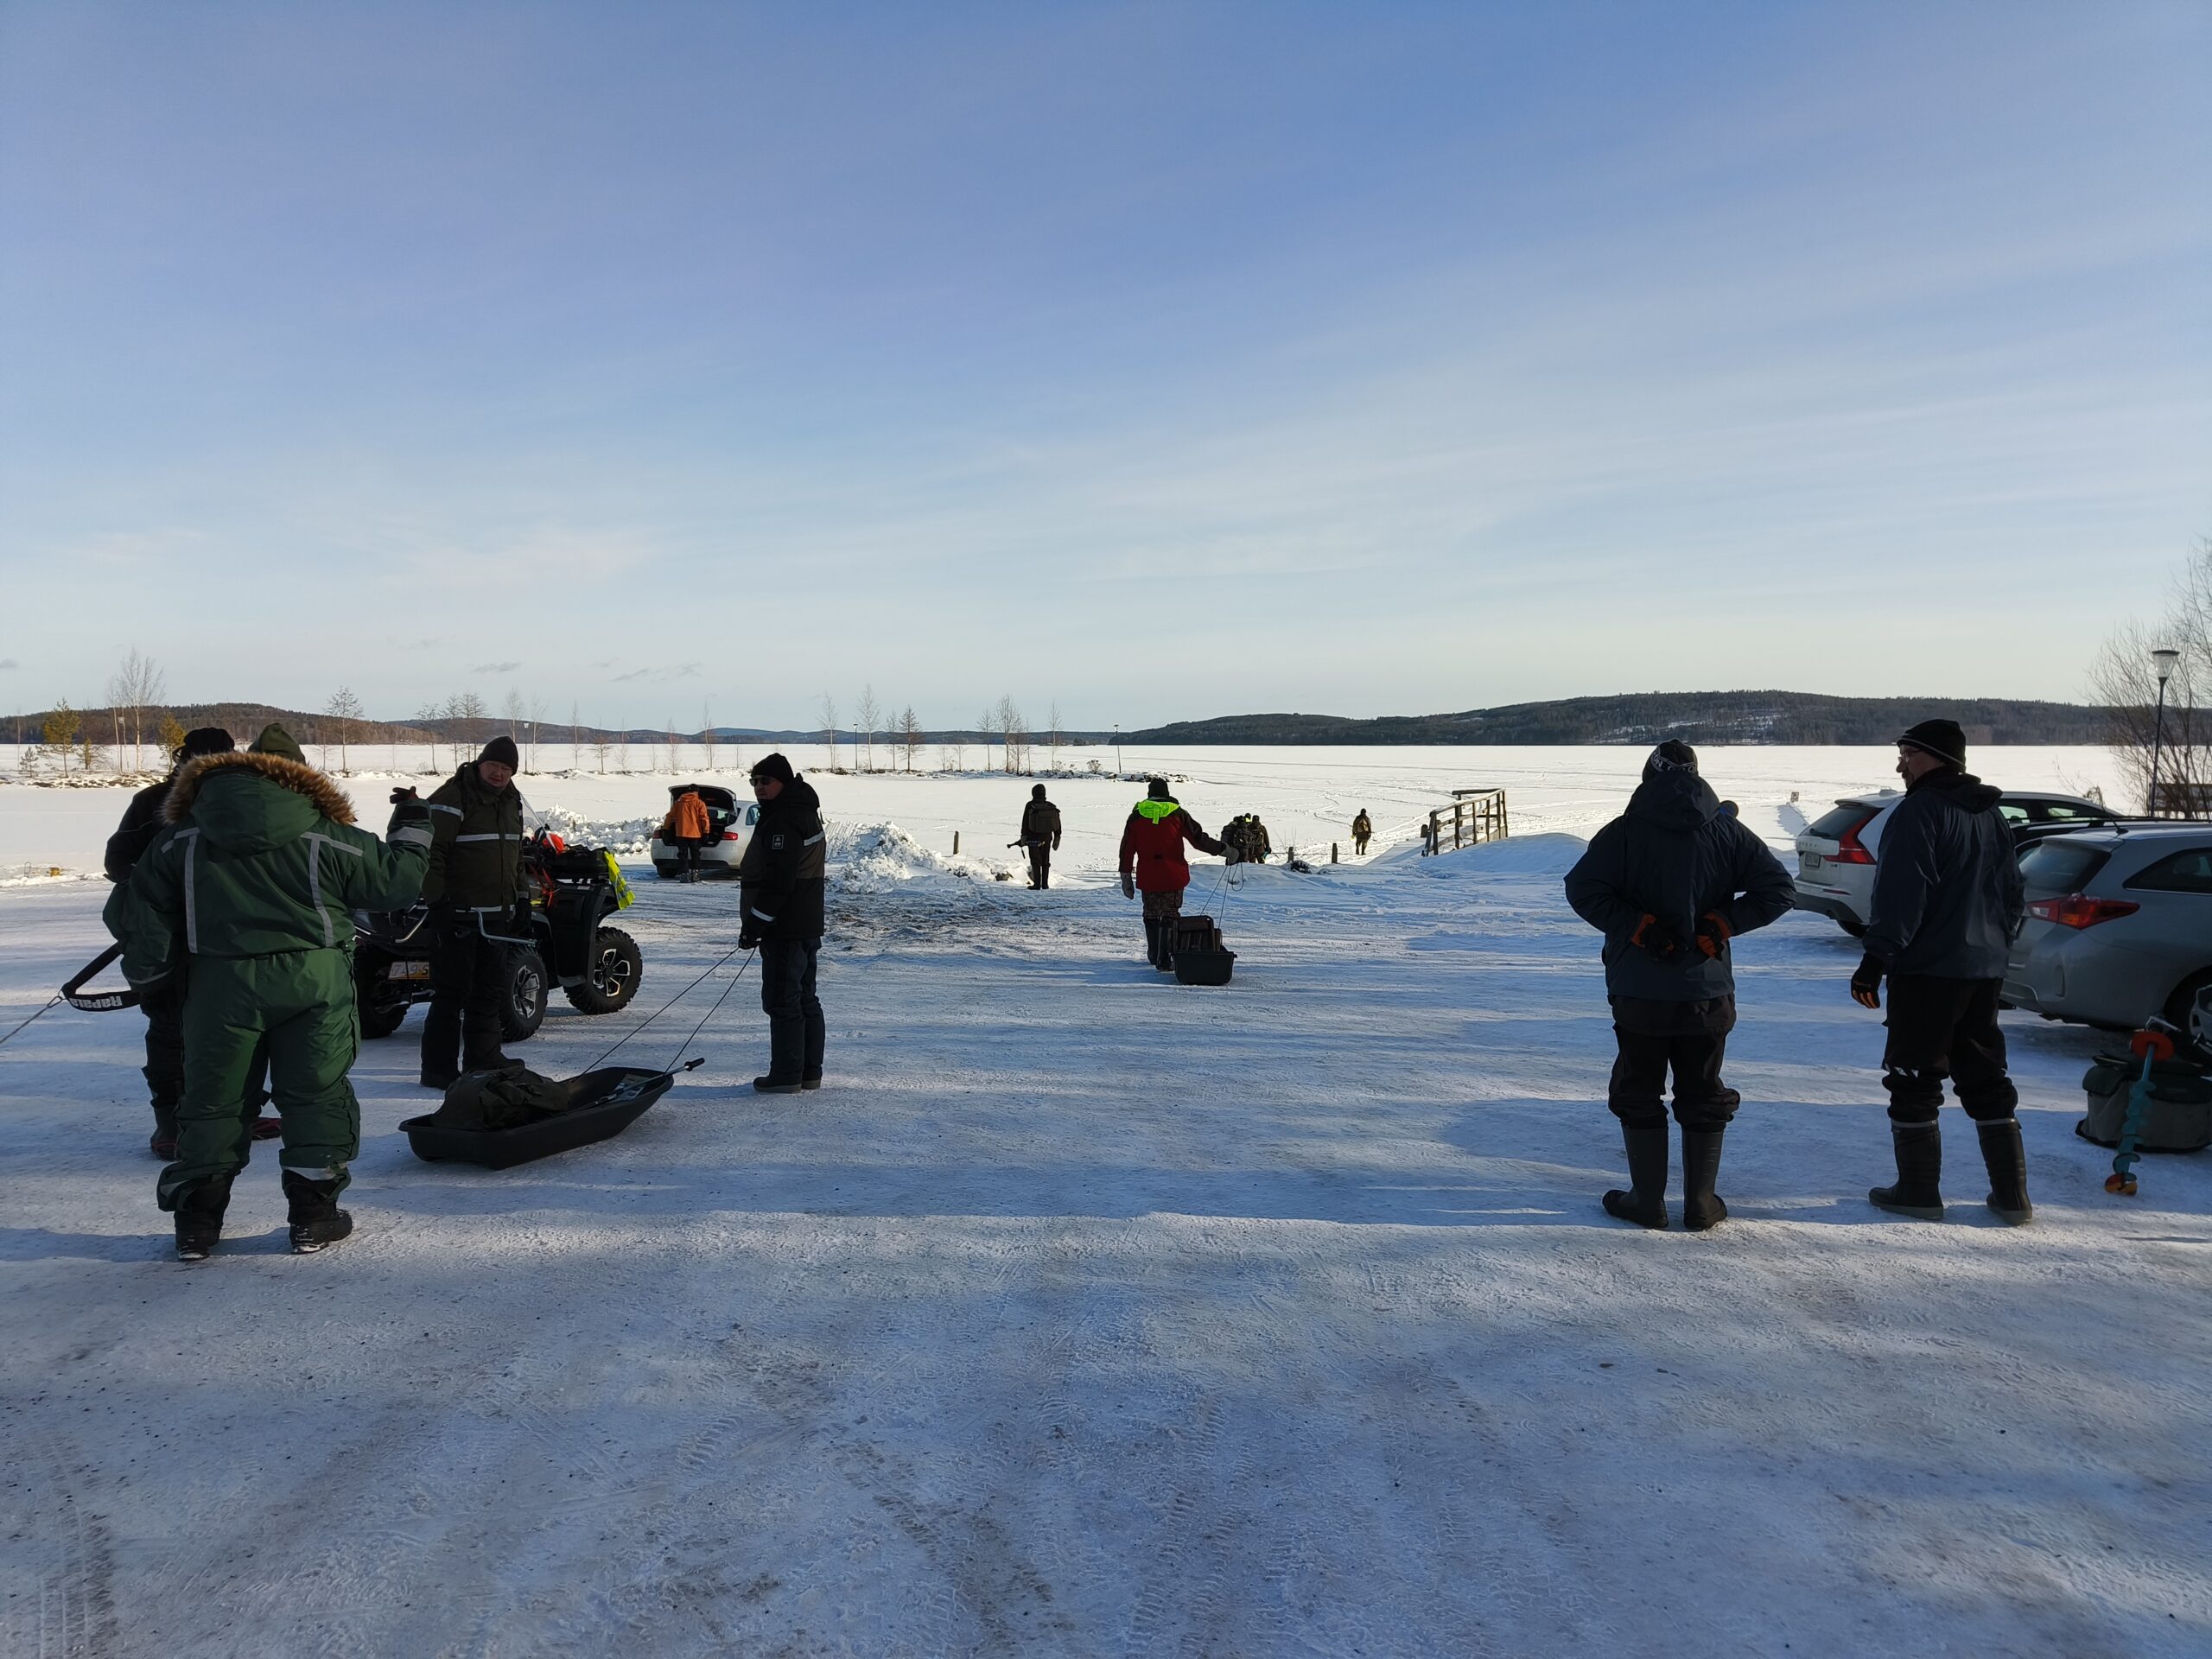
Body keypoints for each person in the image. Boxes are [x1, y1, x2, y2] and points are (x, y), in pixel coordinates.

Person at [106, 724, 434, 1260]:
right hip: (314, 985)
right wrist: (414, 825)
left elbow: (137, 910)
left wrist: (150, 976)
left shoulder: (181, 837)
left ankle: (196, 1225)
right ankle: (313, 1217)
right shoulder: (329, 835)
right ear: (299, 775)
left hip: (220, 986)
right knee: (315, 1094)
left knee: (213, 1100)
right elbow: (397, 884)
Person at [1563, 741, 1793, 1230]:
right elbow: (1778, 890)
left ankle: (1647, 1201)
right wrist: (1723, 924)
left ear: (1649, 777)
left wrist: (1637, 928)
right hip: (1707, 995)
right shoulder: (1729, 832)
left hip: (1640, 991)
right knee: (1703, 1089)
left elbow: (1582, 889)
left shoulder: (1623, 833)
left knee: (1639, 1088)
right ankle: (1701, 1204)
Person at [1852, 720, 2032, 1224]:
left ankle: (1918, 1192)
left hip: (1929, 970)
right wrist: (1997, 948)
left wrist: (1874, 960)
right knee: (1986, 1076)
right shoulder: (1991, 814)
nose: (1900, 766)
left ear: (1935, 757)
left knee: (1914, 1076)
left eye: (1908, 754)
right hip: (1983, 970)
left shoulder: (1920, 811)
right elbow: (2013, 893)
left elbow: (1902, 894)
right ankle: (2013, 1198)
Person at [104, 725, 274, 1157]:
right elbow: (119, 860)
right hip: (170, 940)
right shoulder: (153, 802)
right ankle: (171, 1122)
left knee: (239, 1029)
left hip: (230, 937)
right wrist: (153, 892)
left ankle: (242, 1111)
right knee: (171, 1030)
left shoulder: (245, 802)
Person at [418, 736, 526, 1089]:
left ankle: (484, 1057)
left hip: (496, 917)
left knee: (489, 991)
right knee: (451, 994)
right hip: (459, 916)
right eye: (494, 765)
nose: (499, 774)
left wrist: (523, 898)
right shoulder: (454, 798)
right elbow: (431, 855)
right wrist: (437, 903)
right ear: (480, 763)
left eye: (507, 769)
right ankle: (438, 1069)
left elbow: (515, 855)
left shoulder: (511, 801)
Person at [736, 753, 826, 1093]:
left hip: (786, 925)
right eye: (754, 781)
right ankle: (808, 1073)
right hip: (805, 921)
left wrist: (755, 924)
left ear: (783, 782)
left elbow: (779, 882)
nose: (759, 787)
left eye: (766, 781)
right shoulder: (800, 810)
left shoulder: (784, 819)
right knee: (804, 997)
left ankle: (787, 1075)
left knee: (783, 999)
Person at [1117, 778, 1228, 969]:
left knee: (1151, 914)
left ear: (1149, 794)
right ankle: (1165, 957)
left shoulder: (1136, 817)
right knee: (1170, 914)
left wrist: (1125, 876)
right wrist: (1223, 849)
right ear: (1167, 793)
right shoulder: (1178, 814)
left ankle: (1154, 954)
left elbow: (1127, 849)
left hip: (1148, 876)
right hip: (1173, 875)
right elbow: (1198, 840)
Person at [1019, 784, 1063, 889]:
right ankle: (1045, 884)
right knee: (1045, 861)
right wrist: (1057, 836)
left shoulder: (1030, 805)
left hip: (1033, 837)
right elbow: (1057, 822)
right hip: (1047, 837)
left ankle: (1037, 884)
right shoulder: (1050, 806)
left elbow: (1025, 822)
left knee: (1035, 861)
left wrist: (1023, 836)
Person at [664, 785, 710, 883]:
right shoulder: (699, 803)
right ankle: (695, 874)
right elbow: (704, 818)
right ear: (696, 792)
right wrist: (706, 831)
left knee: (682, 855)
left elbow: (669, 816)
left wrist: (666, 829)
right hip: (695, 834)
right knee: (695, 855)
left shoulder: (678, 803)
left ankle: (684, 875)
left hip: (681, 833)